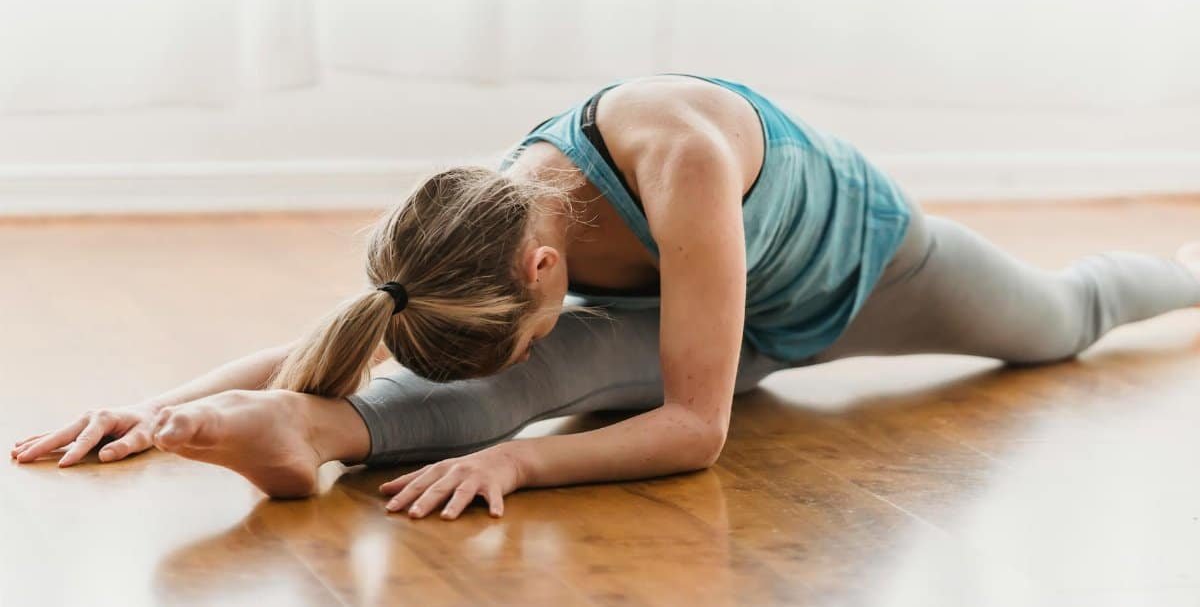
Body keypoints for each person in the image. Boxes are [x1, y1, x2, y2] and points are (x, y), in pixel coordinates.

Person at [12, 73, 1200, 520]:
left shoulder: (677, 160)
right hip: (698, 322)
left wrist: (518, 465)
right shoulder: (472, 229)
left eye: (525, 317)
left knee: (1062, 324)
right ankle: (313, 435)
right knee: (545, 377)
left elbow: (698, 429)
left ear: (544, 271)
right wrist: (149, 406)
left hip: (868, 279)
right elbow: (341, 330)